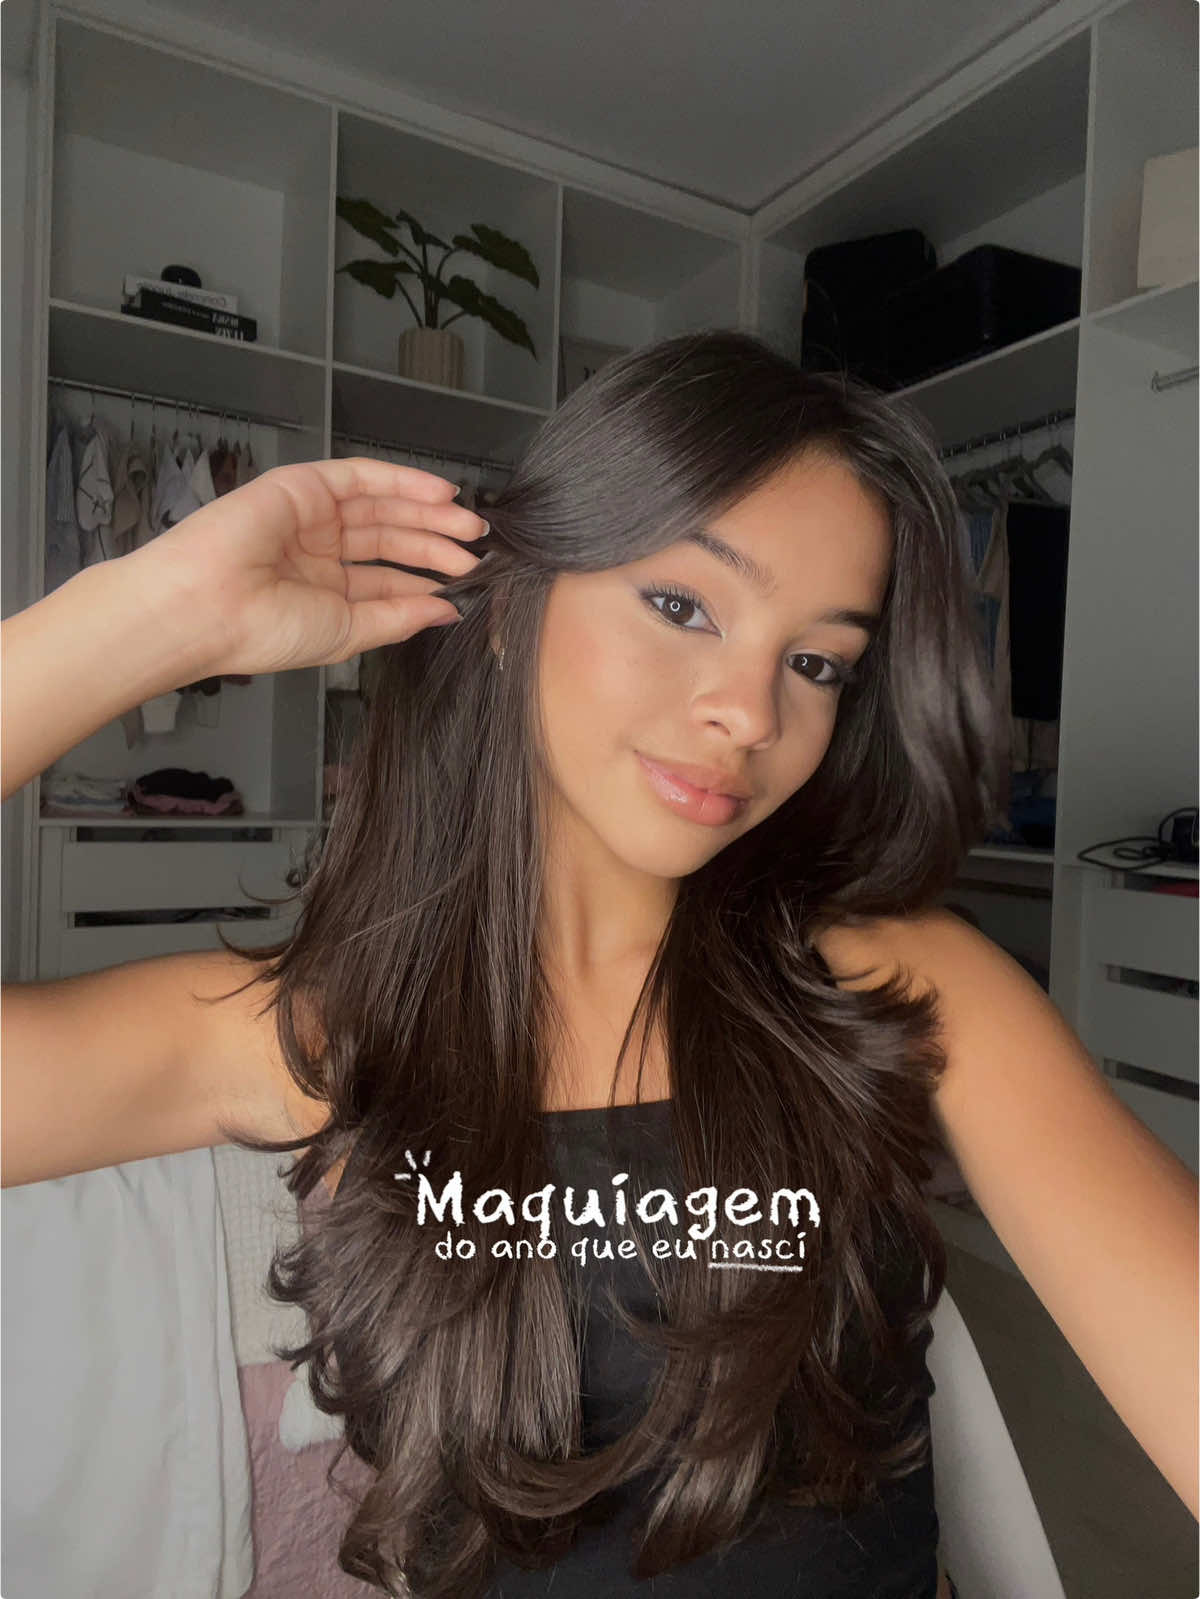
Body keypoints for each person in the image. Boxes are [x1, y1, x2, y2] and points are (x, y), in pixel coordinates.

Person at [2, 330, 1195, 1599]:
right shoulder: (322, 1034)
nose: (750, 712)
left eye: (816, 663)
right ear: (513, 609)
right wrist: (153, 616)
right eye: (683, 606)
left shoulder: (900, 990)